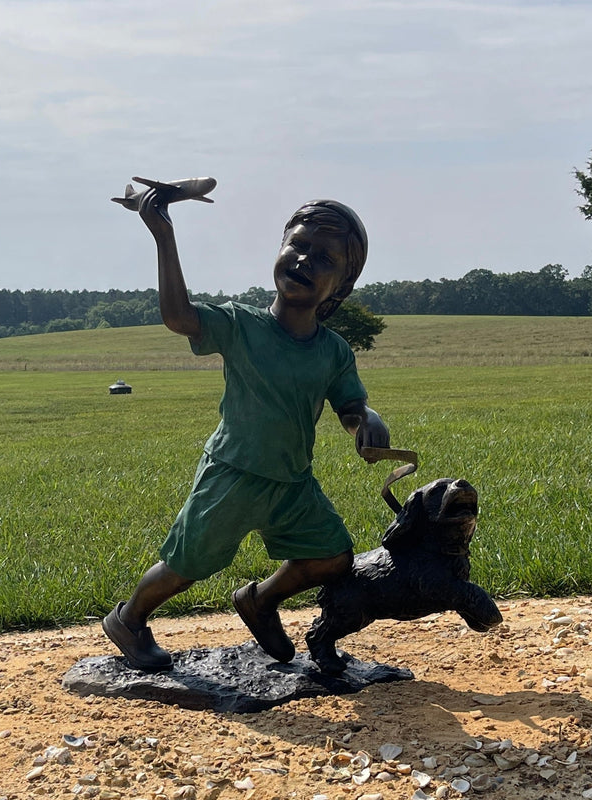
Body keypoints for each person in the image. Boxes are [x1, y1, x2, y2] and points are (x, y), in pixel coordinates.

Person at [102, 179, 390, 671]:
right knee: (186, 565)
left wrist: (366, 421)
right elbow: (179, 317)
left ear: (341, 285)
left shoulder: (333, 350)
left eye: (324, 258)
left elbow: (350, 405)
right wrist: (163, 236)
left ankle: (259, 600)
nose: (305, 260)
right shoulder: (241, 324)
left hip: (292, 482)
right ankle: (128, 619)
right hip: (232, 474)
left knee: (331, 556)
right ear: (280, 248)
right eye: (298, 245)